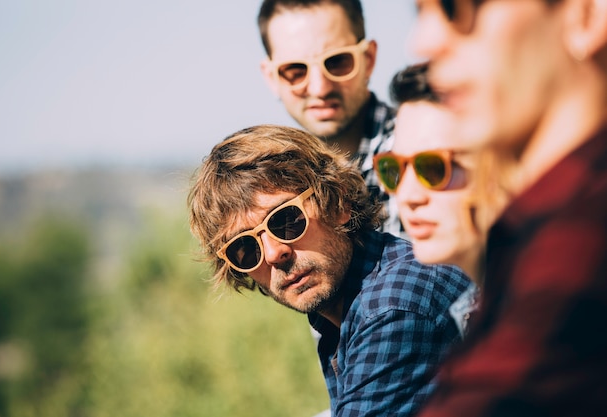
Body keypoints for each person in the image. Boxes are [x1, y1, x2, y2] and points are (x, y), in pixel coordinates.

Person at [405, 1, 607, 416]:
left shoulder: (582, 236)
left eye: (456, 7)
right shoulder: (533, 233)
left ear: (585, 14)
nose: (422, 42)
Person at [187, 124, 471, 416]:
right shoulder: (343, 312)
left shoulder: (392, 305)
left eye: (286, 220)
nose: (274, 254)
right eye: (245, 249)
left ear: (338, 204)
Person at [373, 63, 501, 338]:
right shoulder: (477, 311)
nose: (407, 197)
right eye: (393, 169)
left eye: (433, 168)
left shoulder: (563, 312)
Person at [257, 0, 402, 236]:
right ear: (271, 78)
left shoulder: (413, 152)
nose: (320, 88)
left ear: (368, 59)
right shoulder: (279, 183)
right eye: (295, 71)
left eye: (337, 62)